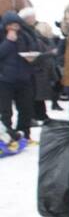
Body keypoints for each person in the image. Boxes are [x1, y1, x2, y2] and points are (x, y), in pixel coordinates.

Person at [0, 11, 41, 141]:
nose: (13, 28)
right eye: (10, 25)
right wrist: (8, 41)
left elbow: (35, 48)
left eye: (16, 25)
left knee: (26, 108)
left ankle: (24, 134)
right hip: (5, 79)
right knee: (5, 111)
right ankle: (7, 135)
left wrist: (32, 57)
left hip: (24, 78)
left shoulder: (25, 35)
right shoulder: (2, 36)